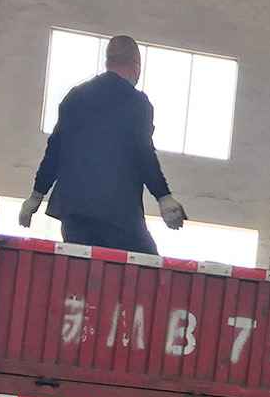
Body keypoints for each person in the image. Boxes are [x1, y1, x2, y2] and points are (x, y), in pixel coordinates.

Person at [19, 34, 186, 254]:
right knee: (146, 267)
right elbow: (143, 154)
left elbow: (55, 151)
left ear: (108, 62)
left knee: (82, 268)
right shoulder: (137, 103)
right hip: (118, 212)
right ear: (136, 66)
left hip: (75, 213)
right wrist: (163, 197)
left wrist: (36, 196)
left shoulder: (75, 97)